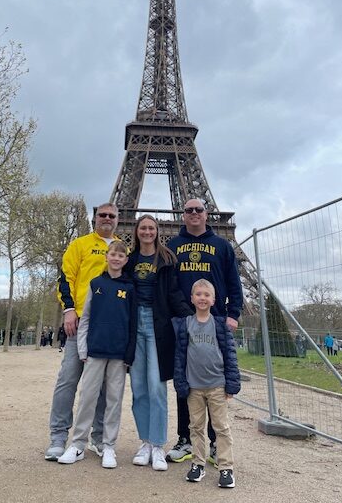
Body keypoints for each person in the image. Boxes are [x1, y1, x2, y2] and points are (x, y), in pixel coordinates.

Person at [166, 198, 243, 465]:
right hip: (184, 323)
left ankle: (212, 442)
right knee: (184, 380)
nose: (194, 213)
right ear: (183, 215)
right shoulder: (173, 245)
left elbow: (234, 281)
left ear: (206, 213)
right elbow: (169, 284)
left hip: (216, 320)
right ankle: (186, 438)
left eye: (199, 209)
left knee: (215, 380)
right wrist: (179, 315)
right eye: (189, 210)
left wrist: (233, 314)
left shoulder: (222, 245)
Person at [45, 203, 120, 462]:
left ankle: (98, 438)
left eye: (112, 216)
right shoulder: (80, 245)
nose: (107, 219)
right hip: (79, 322)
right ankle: (58, 437)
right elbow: (66, 277)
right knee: (68, 379)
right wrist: (68, 309)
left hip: (108, 326)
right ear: (95, 218)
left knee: (101, 386)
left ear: (118, 220)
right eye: (103, 215)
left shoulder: (122, 248)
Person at [58, 241, 136, 469]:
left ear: (126, 260)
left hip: (118, 354)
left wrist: (129, 354)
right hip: (95, 350)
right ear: (107, 256)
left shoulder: (130, 288)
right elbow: (87, 319)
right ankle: (78, 443)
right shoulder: (95, 284)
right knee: (88, 398)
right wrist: (83, 349)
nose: (116, 258)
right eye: (113, 254)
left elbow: (133, 323)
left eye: (121, 255)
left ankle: (108, 444)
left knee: (114, 400)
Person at [124, 214, 192, 471]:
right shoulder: (129, 261)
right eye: (143, 228)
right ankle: (145, 442)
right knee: (139, 387)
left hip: (158, 324)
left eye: (151, 228)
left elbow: (174, 292)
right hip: (135, 325)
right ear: (137, 231)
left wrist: (191, 318)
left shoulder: (166, 259)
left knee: (157, 386)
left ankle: (158, 444)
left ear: (157, 231)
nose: (147, 232)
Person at [173, 279, 241, 488]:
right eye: (198, 294)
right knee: (196, 427)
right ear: (192, 298)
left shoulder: (220, 325)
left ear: (213, 299)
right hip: (194, 386)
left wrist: (231, 384)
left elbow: (230, 355)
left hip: (217, 385)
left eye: (206, 294)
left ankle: (226, 467)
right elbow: (180, 357)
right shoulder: (185, 324)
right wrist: (180, 383)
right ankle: (198, 463)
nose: (202, 298)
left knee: (221, 427)